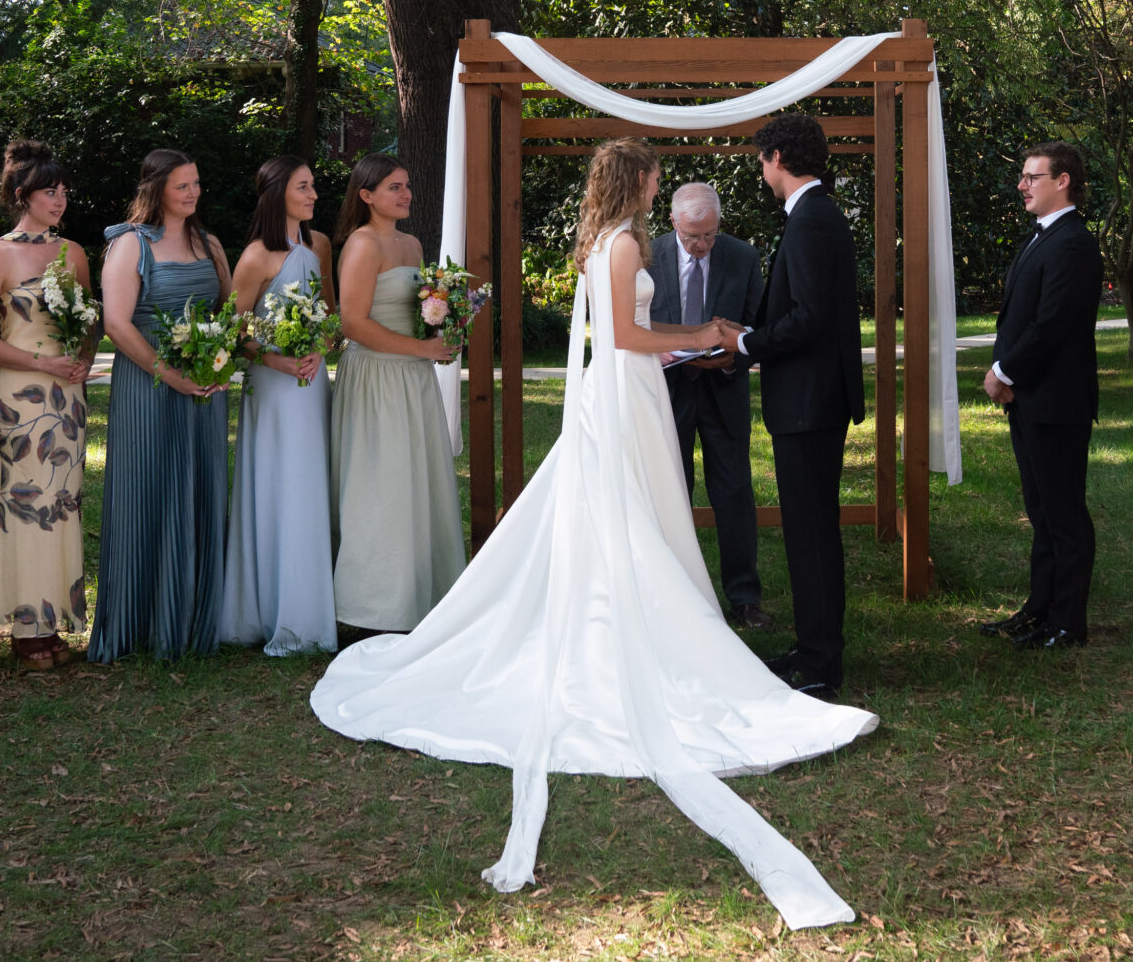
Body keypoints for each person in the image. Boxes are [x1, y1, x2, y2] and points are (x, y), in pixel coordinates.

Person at [308, 138, 876, 929]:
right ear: (633, 183)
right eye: (649, 173)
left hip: (633, 395)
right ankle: (634, 635)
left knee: (645, 516)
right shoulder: (624, 244)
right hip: (630, 389)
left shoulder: (614, 241)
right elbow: (625, 340)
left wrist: (696, 335)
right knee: (631, 519)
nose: (655, 181)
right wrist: (706, 336)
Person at [732, 113, 867, 695]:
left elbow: (808, 318)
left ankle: (821, 665)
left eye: (762, 159)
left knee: (811, 533)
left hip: (810, 403)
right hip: (809, 400)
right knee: (807, 530)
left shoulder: (812, 219)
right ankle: (813, 647)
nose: (761, 169)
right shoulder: (813, 214)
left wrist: (745, 342)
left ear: (779, 158)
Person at [89, 149, 234, 663]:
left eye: (196, 183)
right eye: (182, 186)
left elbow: (228, 310)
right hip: (148, 387)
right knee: (146, 489)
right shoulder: (130, 245)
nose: (193, 193)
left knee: (199, 488)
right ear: (156, 190)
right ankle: (137, 622)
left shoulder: (208, 242)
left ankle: (194, 617)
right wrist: (171, 376)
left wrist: (215, 364)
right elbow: (117, 324)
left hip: (204, 389)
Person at [0, 140, 96, 668]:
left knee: (61, 504)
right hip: (21, 396)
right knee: (23, 506)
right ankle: (25, 628)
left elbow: (88, 320)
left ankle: (55, 618)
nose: (60, 199)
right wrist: (41, 364)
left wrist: (83, 357)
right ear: (23, 195)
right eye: (49, 191)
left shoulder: (75, 253)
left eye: (63, 190)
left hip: (67, 397)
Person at [328, 154, 466, 639]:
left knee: (416, 483)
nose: (405, 194)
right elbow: (353, 323)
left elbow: (423, 306)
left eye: (406, 186)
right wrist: (421, 347)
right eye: (393, 187)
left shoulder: (411, 243)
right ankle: (370, 608)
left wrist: (444, 330)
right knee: (379, 488)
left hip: (413, 378)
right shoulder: (363, 245)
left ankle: (422, 595)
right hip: (377, 379)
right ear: (366, 196)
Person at [977, 142, 1104, 651]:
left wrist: (1004, 371)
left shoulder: (1073, 242)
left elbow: (1053, 324)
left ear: (1063, 181)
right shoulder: (1044, 237)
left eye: (1033, 176)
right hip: (1032, 399)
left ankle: (1069, 623)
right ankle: (1040, 609)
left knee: (1064, 513)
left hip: (1058, 401)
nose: (1022, 185)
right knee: (1042, 511)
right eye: (1024, 176)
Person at [221, 156, 340, 657]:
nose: (313, 195)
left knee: (311, 487)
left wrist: (321, 349)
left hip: (312, 385)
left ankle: (313, 606)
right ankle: (270, 610)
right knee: (276, 486)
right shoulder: (254, 257)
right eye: (303, 187)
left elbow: (334, 317)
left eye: (313, 186)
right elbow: (232, 332)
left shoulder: (321, 246)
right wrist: (276, 360)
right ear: (277, 194)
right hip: (271, 389)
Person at [648, 181, 770, 628]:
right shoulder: (647, 254)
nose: (701, 245)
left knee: (734, 492)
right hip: (667, 390)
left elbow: (760, 328)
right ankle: (672, 593)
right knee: (670, 489)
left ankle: (744, 597)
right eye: (691, 236)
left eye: (709, 235)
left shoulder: (743, 257)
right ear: (673, 223)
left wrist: (734, 355)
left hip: (724, 387)